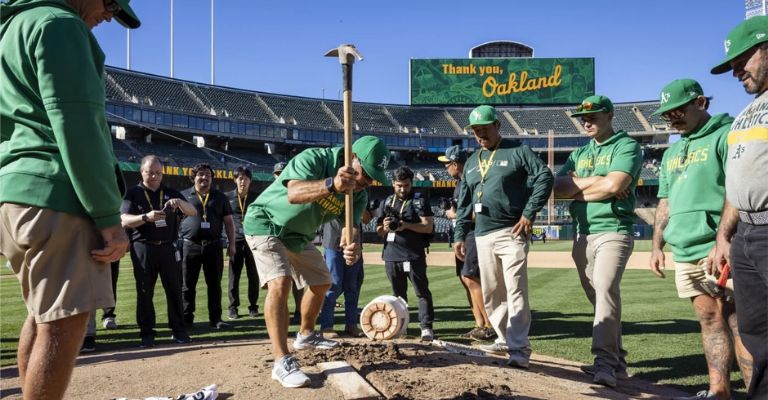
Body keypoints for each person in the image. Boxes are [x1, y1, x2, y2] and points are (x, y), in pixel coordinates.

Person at [0, 0, 138, 397]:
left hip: (15, 193)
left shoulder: (12, 27)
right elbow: (79, 125)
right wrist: (108, 218)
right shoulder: (60, 23)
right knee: (65, 321)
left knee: (42, 316)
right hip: (55, 190)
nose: (111, 14)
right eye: (110, 2)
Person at [244, 136, 389, 388]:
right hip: (266, 223)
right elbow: (294, 193)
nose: (367, 183)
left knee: (322, 282)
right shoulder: (315, 158)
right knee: (280, 281)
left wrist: (351, 245)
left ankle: (306, 335)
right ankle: (281, 361)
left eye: (373, 179)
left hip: (298, 236)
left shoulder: (359, 195)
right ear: (352, 158)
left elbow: (350, 227)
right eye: (366, 174)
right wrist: (332, 184)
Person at [648, 79, 752, 400]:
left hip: (719, 245)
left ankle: (756, 392)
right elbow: (664, 201)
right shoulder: (673, 151)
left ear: (701, 103)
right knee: (708, 318)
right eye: (666, 114)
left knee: (739, 321)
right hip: (685, 247)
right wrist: (656, 245)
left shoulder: (726, 135)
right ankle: (719, 391)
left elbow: (736, 188)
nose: (672, 119)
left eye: (677, 110)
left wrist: (724, 239)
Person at [454, 105, 554, 369]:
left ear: (498, 126)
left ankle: (519, 349)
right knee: (491, 293)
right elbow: (464, 203)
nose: (481, 135)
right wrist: (459, 234)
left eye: (485, 129)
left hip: (512, 231)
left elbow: (544, 176)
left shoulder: (518, 151)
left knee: (515, 289)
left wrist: (529, 213)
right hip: (482, 234)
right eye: (476, 131)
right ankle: (502, 337)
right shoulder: (473, 161)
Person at [553, 95, 641, 388]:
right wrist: (597, 183)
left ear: (610, 115)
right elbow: (558, 188)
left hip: (613, 229)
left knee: (604, 290)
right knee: (597, 296)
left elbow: (615, 185)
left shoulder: (626, 146)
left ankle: (604, 363)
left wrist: (580, 185)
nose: (587, 122)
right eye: (583, 118)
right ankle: (619, 362)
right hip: (582, 231)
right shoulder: (579, 154)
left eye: (593, 116)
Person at [709, 15, 768, 399]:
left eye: (742, 61)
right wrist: (724, 235)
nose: (735, 72)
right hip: (746, 233)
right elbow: (737, 180)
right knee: (757, 332)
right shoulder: (746, 112)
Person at [122, 155, 197, 347]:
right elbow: (123, 220)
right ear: (142, 172)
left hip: (168, 247)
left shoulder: (171, 193)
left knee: (174, 290)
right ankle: (147, 334)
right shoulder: (133, 193)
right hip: (143, 248)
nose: (154, 176)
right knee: (145, 292)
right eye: (149, 172)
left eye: (158, 173)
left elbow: (193, 212)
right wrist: (145, 217)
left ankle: (179, 331)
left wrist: (179, 203)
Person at [439, 145, 494, 341]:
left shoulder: (472, 182)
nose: (446, 169)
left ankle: (489, 325)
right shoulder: (459, 184)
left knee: (470, 277)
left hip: (473, 234)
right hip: (463, 235)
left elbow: (480, 214)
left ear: (455, 164)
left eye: (447, 165)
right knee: (465, 279)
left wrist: (455, 215)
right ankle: (479, 323)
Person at [376, 166, 436, 342]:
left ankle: (426, 328)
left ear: (411, 183)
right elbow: (379, 230)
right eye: (399, 185)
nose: (402, 189)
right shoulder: (387, 201)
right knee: (398, 296)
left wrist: (405, 225)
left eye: (406, 185)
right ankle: (401, 326)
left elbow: (428, 226)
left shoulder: (419, 200)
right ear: (393, 184)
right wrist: (385, 228)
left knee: (422, 292)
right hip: (391, 255)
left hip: (413, 254)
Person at [181, 163, 237, 330]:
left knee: (214, 285)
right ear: (194, 177)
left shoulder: (220, 197)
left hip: (214, 246)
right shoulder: (183, 196)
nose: (204, 177)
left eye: (208, 175)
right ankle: (186, 318)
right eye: (200, 174)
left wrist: (232, 244)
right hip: (190, 246)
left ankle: (216, 319)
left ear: (212, 178)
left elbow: (229, 223)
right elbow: (175, 220)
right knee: (187, 285)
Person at [317, 207, 372, 338]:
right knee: (333, 285)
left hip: (354, 244)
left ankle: (351, 324)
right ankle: (326, 326)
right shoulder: (332, 191)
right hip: (333, 242)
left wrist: (359, 207)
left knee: (352, 286)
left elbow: (366, 219)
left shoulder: (359, 194)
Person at [226, 166, 259, 320]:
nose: (242, 181)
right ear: (235, 180)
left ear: (250, 181)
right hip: (235, 241)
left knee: (253, 276)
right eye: (240, 178)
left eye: (246, 179)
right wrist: (227, 241)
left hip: (253, 242)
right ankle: (233, 308)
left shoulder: (257, 197)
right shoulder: (227, 197)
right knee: (234, 276)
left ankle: (253, 306)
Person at [274, 161, 304, 324]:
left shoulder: (298, 191)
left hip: (294, 239)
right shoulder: (269, 193)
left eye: (283, 172)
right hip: (275, 240)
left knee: (298, 279)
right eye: (278, 173)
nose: (280, 176)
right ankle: (281, 313)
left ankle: (299, 311)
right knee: (279, 280)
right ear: (274, 176)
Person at [81, 259, 122, 353]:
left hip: (108, 248)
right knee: (86, 287)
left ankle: (109, 315)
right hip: (84, 250)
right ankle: (88, 334)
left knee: (110, 283)